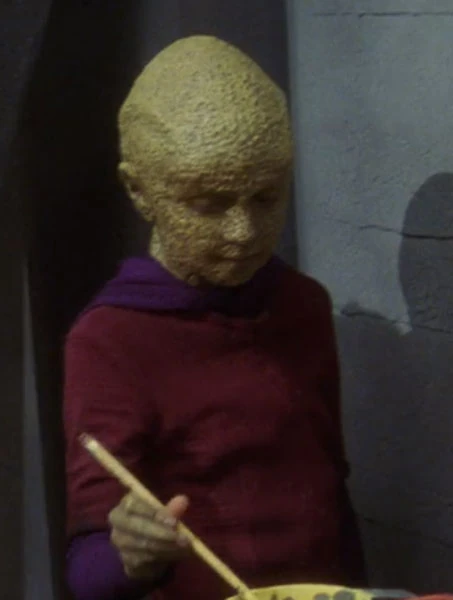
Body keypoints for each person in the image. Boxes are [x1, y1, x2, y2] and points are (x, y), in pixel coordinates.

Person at [64, 35, 366, 600]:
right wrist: (130, 553)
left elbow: (331, 495)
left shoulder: (303, 305)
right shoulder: (112, 340)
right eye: (208, 204)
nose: (243, 232)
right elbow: (88, 568)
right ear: (139, 190)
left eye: (266, 197)